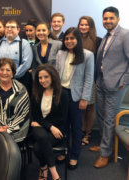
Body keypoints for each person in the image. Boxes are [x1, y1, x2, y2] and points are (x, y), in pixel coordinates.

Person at [92, 6, 129, 168]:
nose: (107, 21)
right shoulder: (106, 36)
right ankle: (104, 144)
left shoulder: (125, 35)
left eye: (111, 18)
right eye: (105, 18)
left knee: (108, 118)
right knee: (100, 115)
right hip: (101, 82)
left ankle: (105, 154)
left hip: (116, 85)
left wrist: (125, 80)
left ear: (118, 19)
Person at [55, 27, 94, 169]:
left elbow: (89, 79)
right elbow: (57, 74)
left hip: (77, 96)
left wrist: (85, 98)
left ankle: (74, 155)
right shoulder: (61, 53)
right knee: (62, 125)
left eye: (72, 38)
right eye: (66, 38)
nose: (69, 41)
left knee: (76, 127)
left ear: (77, 39)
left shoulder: (87, 55)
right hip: (62, 94)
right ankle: (63, 151)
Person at [31, 64, 68, 180]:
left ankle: (43, 168)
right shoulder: (36, 93)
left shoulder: (63, 94)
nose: (42, 80)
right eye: (40, 78)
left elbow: (62, 119)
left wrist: (44, 124)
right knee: (41, 137)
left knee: (38, 147)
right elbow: (36, 116)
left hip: (57, 130)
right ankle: (55, 175)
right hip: (44, 128)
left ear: (52, 77)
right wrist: (49, 126)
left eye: (46, 77)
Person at [0, 58, 30, 144]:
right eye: (1, 70)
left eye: (8, 70)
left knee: (4, 147)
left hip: (16, 129)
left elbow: (23, 114)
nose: (4, 73)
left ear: (13, 73)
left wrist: (8, 129)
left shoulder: (21, 90)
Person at [77, 16, 102, 146]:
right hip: (76, 79)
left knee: (89, 107)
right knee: (80, 107)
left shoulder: (98, 41)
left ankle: (88, 133)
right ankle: (80, 131)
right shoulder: (74, 39)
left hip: (90, 79)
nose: (83, 27)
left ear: (91, 26)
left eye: (86, 25)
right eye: (81, 24)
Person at [0, 19, 33, 91]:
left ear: (18, 29)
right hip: (1, 82)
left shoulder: (24, 43)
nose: (9, 29)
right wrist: (1, 75)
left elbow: (26, 63)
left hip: (20, 81)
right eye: (7, 27)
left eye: (12, 27)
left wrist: (11, 75)